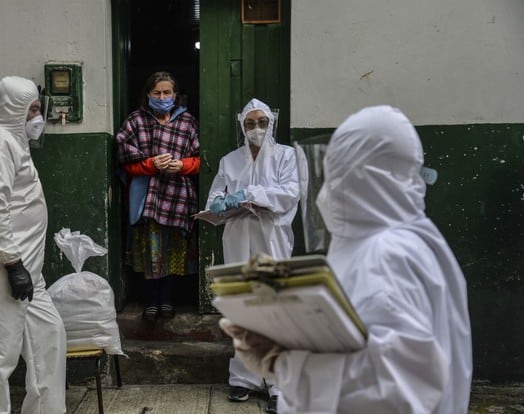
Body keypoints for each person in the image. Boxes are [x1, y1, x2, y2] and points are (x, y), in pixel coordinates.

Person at [219, 105, 473, 414]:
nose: (328, 186)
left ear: (370, 174)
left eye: (338, 171)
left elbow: (393, 397)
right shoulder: (394, 241)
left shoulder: (388, 257)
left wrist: (286, 361)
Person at [0, 75, 67, 414]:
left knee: (49, 336)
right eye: (31, 110)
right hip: (0, 271)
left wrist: (22, 267)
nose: (38, 117)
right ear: (12, 110)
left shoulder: (11, 140)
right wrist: (12, 264)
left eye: (38, 108)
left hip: (26, 271)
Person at [205, 98, 300, 414]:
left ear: (270, 123)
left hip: (271, 239)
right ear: (242, 126)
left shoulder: (286, 156)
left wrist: (251, 195)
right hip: (238, 237)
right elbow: (217, 193)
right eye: (250, 123)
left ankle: (278, 386)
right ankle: (244, 379)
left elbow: (288, 194)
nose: (256, 128)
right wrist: (220, 202)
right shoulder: (230, 160)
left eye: (261, 122)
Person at [116, 71, 200, 321]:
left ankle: (167, 300)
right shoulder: (136, 122)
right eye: (157, 93)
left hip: (178, 198)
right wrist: (151, 164)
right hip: (148, 200)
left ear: (176, 96)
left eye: (167, 93)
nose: (162, 97)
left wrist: (182, 166)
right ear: (148, 95)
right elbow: (123, 162)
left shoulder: (188, 123)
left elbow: (200, 160)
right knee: (152, 252)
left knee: (174, 249)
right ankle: (151, 300)